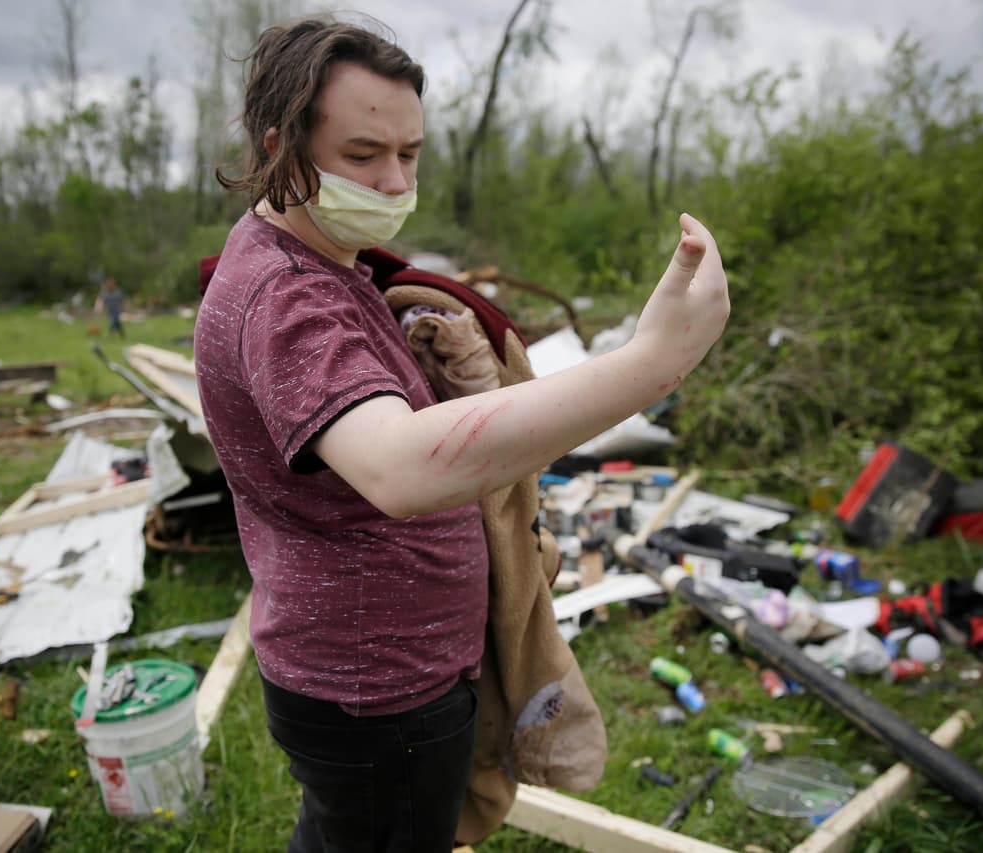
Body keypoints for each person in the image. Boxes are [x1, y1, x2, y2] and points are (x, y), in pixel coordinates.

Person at [192, 17, 729, 853]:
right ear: (279, 147)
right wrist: (649, 366)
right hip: (377, 687)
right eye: (363, 154)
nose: (394, 180)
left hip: (382, 671)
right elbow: (399, 468)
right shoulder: (287, 293)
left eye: (410, 153)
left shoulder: (321, 253)